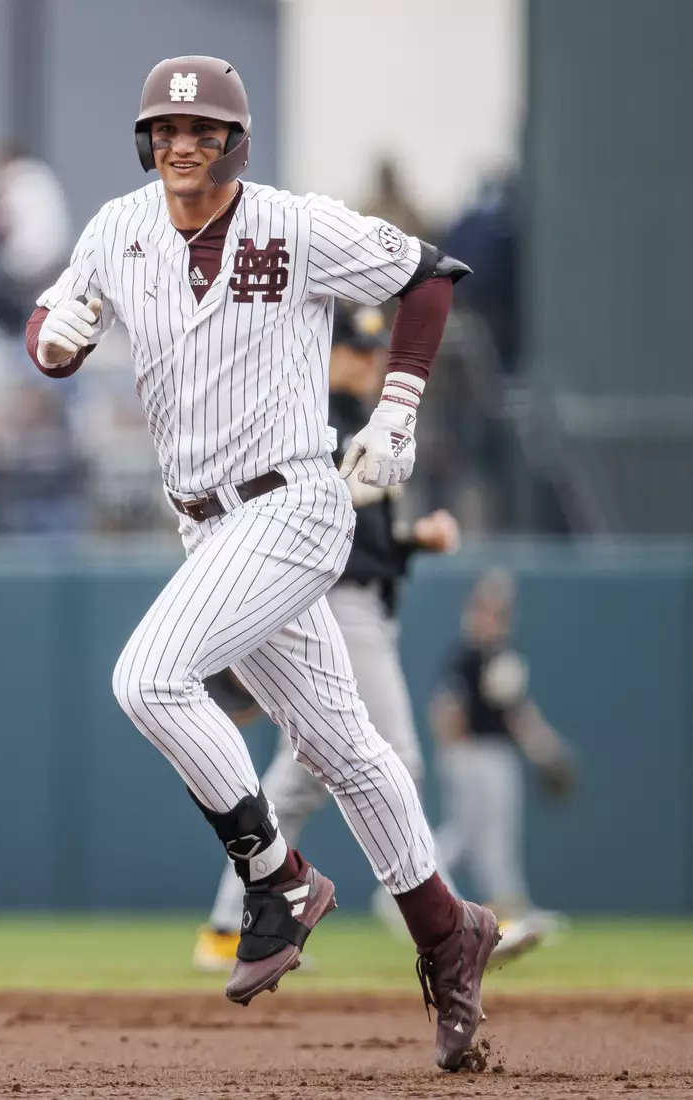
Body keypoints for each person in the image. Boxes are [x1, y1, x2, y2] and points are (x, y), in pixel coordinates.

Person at [24, 55, 491, 1071]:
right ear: (147, 141)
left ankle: (276, 876)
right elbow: (52, 323)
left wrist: (399, 411)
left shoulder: (293, 222)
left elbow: (428, 274)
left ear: (236, 141)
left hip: (292, 502)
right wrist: (50, 339)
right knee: (348, 748)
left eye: (202, 132)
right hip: (205, 520)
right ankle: (451, 932)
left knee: (147, 676)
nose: (181, 146)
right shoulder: (118, 227)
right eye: (165, 131)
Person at [192, 304, 467, 972]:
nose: (365, 361)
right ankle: (431, 913)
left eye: (372, 352)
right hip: (335, 605)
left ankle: (235, 920)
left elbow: (362, 535)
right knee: (395, 756)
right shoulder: (314, 415)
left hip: (358, 599)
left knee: (306, 770)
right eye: (354, 349)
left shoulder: (354, 417)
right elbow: (310, 512)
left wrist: (409, 540)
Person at [431, 569, 576, 960]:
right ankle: (407, 889)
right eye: (486, 609)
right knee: (469, 834)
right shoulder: (467, 656)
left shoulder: (501, 657)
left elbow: (518, 714)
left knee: (488, 837)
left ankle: (510, 908)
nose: (492, 618)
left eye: (499, 611)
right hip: (472, 754)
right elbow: (446, 709)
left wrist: (546, 750)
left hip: (498, 754)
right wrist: (452, 755)